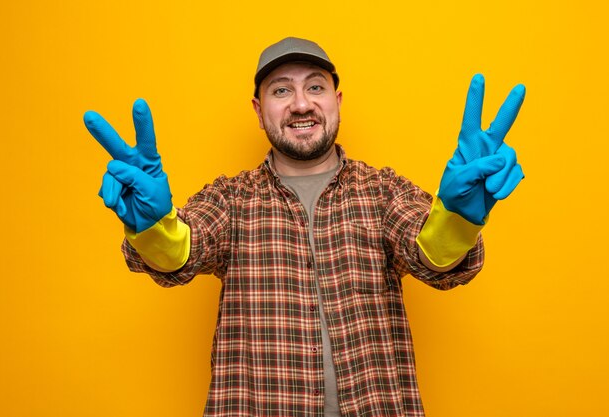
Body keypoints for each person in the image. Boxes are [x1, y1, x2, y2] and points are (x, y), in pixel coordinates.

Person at [84, 37, 525, 417]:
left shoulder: (383, 190)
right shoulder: (230, 199)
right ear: (259, 110)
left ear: (337, 100)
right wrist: (152, 227)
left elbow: (430, 254)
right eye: (281, 90)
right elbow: (184, 249)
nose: (300, 103)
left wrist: (458, 216)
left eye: (316, 87)